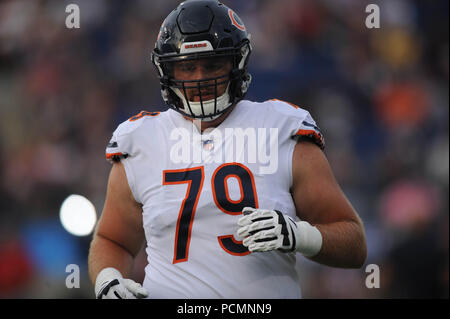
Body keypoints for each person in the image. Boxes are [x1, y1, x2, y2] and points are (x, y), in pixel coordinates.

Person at [88, 0, 367, 299]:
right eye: (187, 67)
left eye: (212, 64)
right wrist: (108, 280)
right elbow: (111, 239)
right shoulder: (141, 140)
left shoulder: (281, 128)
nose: (199, 78)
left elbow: (353, 244)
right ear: (166, 70)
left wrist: (300, 236)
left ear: (237, 62)